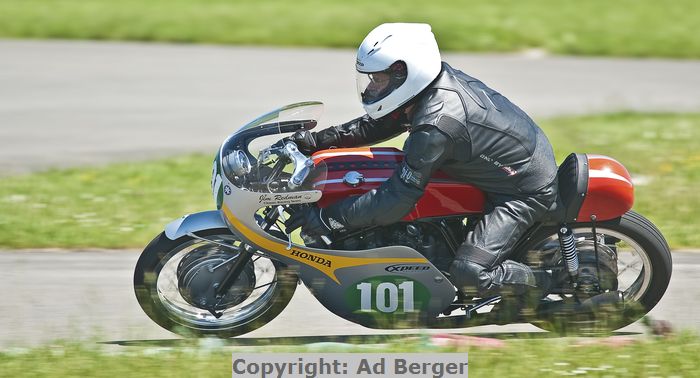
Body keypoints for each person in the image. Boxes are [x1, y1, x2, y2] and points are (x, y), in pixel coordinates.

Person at [284, 23, 558, 317]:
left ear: (406, 73)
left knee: (469, 274)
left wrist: (329, 219)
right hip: (497, 163)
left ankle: (545, 281)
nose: (372, 87)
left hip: (521, 189)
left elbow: (395, 199)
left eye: (379, 79)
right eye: (371, 78)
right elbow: (379, 123)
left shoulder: (436, 123)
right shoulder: (424, 91)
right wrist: (315, 141)